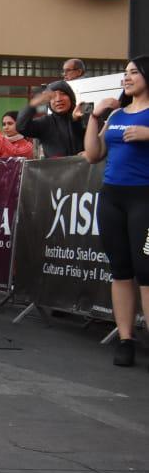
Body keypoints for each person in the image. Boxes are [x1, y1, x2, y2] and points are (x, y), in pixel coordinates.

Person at [83, 56, 149, 368]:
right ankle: (125, 339)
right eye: (125, 73)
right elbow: (93, 155)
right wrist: (95, 117)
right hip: (112, 197)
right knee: (120, 269)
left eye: (134, 72)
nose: (127, 77)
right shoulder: (119, 113)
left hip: (145, 199)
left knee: (147, 270)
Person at [18, 80, 86, 158]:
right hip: (55, 169)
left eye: (63, 94)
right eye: (53, 96)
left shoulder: (84, 117)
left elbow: (100, 141)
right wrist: (33, 105)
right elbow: (21, 127)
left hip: (85, 168)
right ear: (49, 102)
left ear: (71, 97)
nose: (58, 99)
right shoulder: (45, 123)